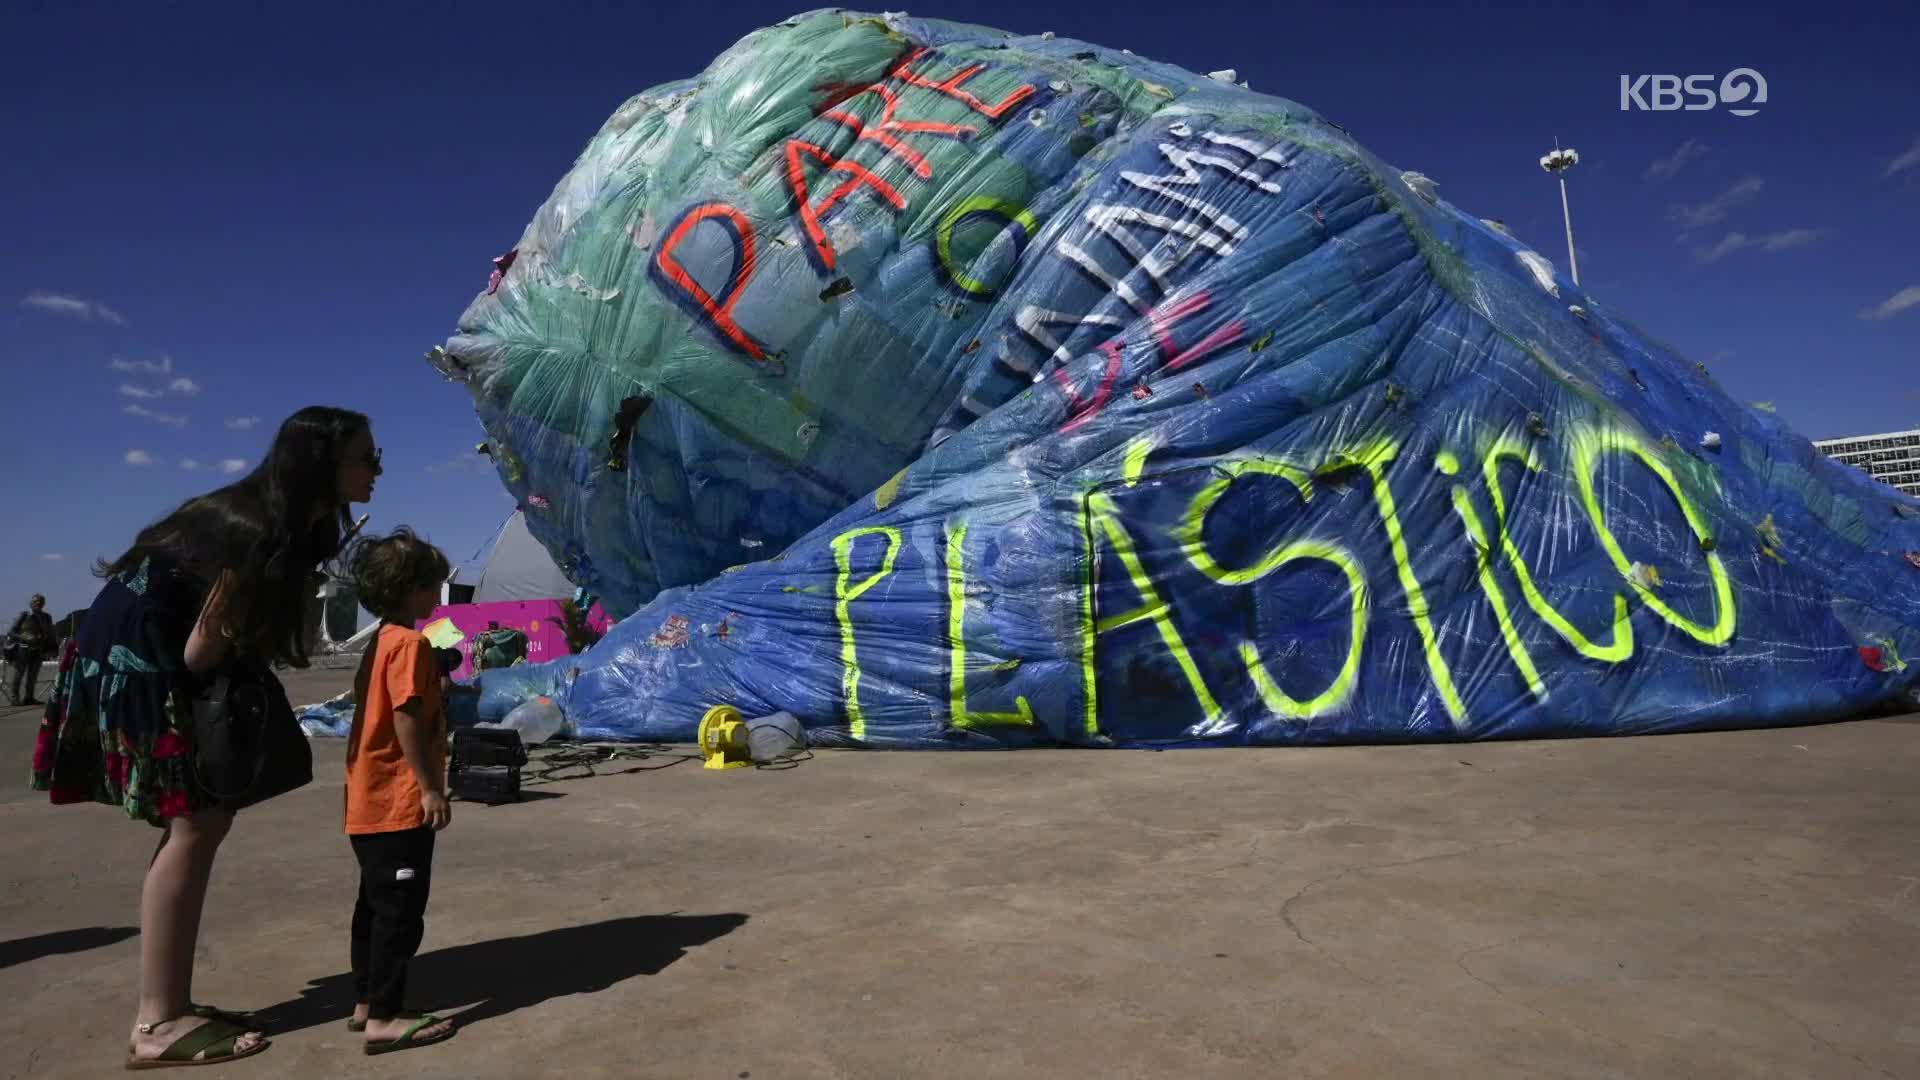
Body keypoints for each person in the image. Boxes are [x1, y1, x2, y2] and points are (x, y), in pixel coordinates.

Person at [30, 407, 381, 1069]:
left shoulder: (283, 522)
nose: (377, 472)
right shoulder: (258, 529)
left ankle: (168, 1004)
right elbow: (200, 650)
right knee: (196, 823)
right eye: (368, 459)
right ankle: (158, 1021)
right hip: (144, 658)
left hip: (137, 645)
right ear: (321, 464)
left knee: (198, 824)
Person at [340, 528, 458, 1055]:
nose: (438, 595)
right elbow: (407, 716)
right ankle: (385, 1018)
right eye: (433, 586)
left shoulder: (384, 640)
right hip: (398, 801)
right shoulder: (410, 644)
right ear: (410, 587)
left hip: (366, 800)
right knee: (400, 913)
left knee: (374, 905)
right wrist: (431, 788)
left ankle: (367, 999)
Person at [7, 594, 56, 704]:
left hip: (39, 649)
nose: (38, 603)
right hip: (23, 649)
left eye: (40, 602)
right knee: (18, 674)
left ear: (43, 604)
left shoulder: (47, 617)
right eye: (36, 601)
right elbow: (11, 632)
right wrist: (25, 637)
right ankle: (14, 698)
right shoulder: (24, 615)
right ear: (31, 603)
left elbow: (51, 634)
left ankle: (29, 698)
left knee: (33, 676)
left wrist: (52, 648)